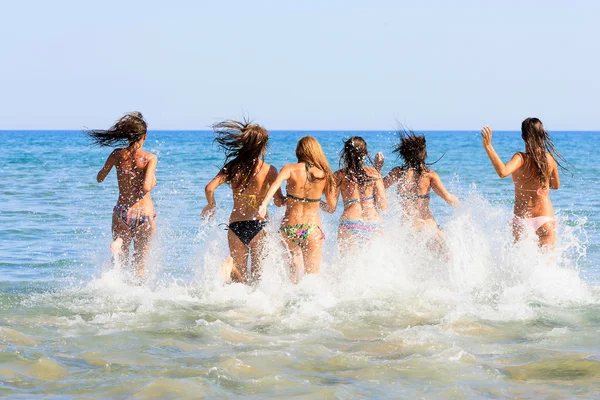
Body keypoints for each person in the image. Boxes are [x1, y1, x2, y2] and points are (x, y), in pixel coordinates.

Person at [202, 120, 285, 284]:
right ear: (262, 146)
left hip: (236, 224)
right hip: (258, 225)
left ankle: (231, 266)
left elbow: (209, 188)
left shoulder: (233, 167)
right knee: (256, 276)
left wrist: (211, 205)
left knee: (239, 279)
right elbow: (278, 201)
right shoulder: (269, 170)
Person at [86, 112, 157, 280]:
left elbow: (100, 178)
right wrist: (154, 181)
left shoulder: (117, 154)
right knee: (140, 262)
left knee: (121, 257)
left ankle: (117, 243)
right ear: (144, 137)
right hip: (144, 213)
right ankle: (137, 295)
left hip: (122, 211)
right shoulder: (149, 158)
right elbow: (146, 186)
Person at [258, 136, 335, 283]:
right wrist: (315, 202)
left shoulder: (289, 169)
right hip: (311, 228)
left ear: (299, 151)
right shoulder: (324, 174)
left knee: (293, 280)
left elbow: (275, 184)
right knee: (312, 279)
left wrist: (264, 204)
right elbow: (331, 208)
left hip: (289, 228)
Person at [480, 118, 566, 250]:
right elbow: (555, 185)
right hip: (545, 218)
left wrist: (488, 146)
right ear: (542, 135)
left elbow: (503, 172)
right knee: (546, 266)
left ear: (523, 136)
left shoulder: (520, 158)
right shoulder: (550, 159)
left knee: (520, 268)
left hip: (522, 220)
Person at [375, 130, 459, 249]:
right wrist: (464, 208)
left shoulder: (397, 173)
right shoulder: (429, 175)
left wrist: (377, 168)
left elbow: (377, 189)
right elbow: (449, 198)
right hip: (428, 228)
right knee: (448, 254)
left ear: (404, 154)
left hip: (407, 229)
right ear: (423, 154)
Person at [321, 136, 388, 250]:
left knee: (347, 266)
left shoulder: (339, 175)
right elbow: (383, 206)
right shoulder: (374, 174)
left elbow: (331, 208)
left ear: (346, 154)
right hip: (373, 224)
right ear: (365, 153)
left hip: (350, 224)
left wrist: (315, 200)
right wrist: (377, 170)